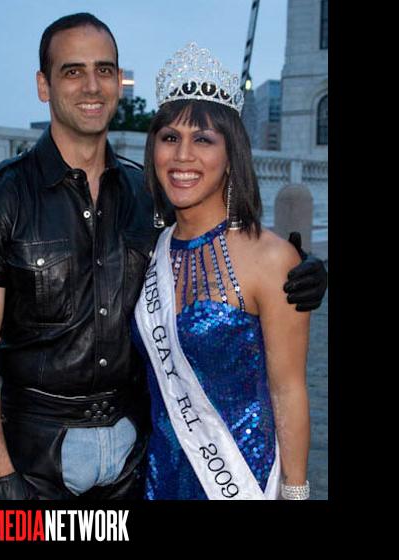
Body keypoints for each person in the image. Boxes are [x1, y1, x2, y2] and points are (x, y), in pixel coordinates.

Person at [0, 14, 327, 501]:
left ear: (118, 83)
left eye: (104, 70)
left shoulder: (149, 198)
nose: (92, 86)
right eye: (72, 71)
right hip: (37, 457)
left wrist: (304, 270)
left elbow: (219, 238)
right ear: (44, 85)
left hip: (137, 461)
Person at [132, 43, 313, 500]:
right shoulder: (149, 249)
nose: (182, 155)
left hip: (240, 479)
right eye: (169, 137)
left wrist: (295, 492)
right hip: (160, 477)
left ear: (231, 155)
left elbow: (289, 390)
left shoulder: (271, 258)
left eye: (203, 140)